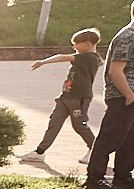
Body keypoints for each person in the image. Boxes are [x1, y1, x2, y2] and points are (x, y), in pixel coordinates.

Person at [86, 0, 134, 189]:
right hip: (124, 96)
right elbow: (115, 70)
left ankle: (123, 176)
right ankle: (94, 180)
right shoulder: (128, 36)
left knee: (131, 137)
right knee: (110, 136)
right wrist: (129, 96)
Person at [25, 29, 102, 162]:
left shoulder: (88, 57)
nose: (74, 47)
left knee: (79, 125)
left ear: (88, 44)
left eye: (77, 44)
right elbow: (101, 62)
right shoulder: (92, 58)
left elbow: (62, 56)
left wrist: (42, 62)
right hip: (66, 96)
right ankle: (40, 152)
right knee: (54, 123)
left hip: (79, 97)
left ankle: (96, 151)